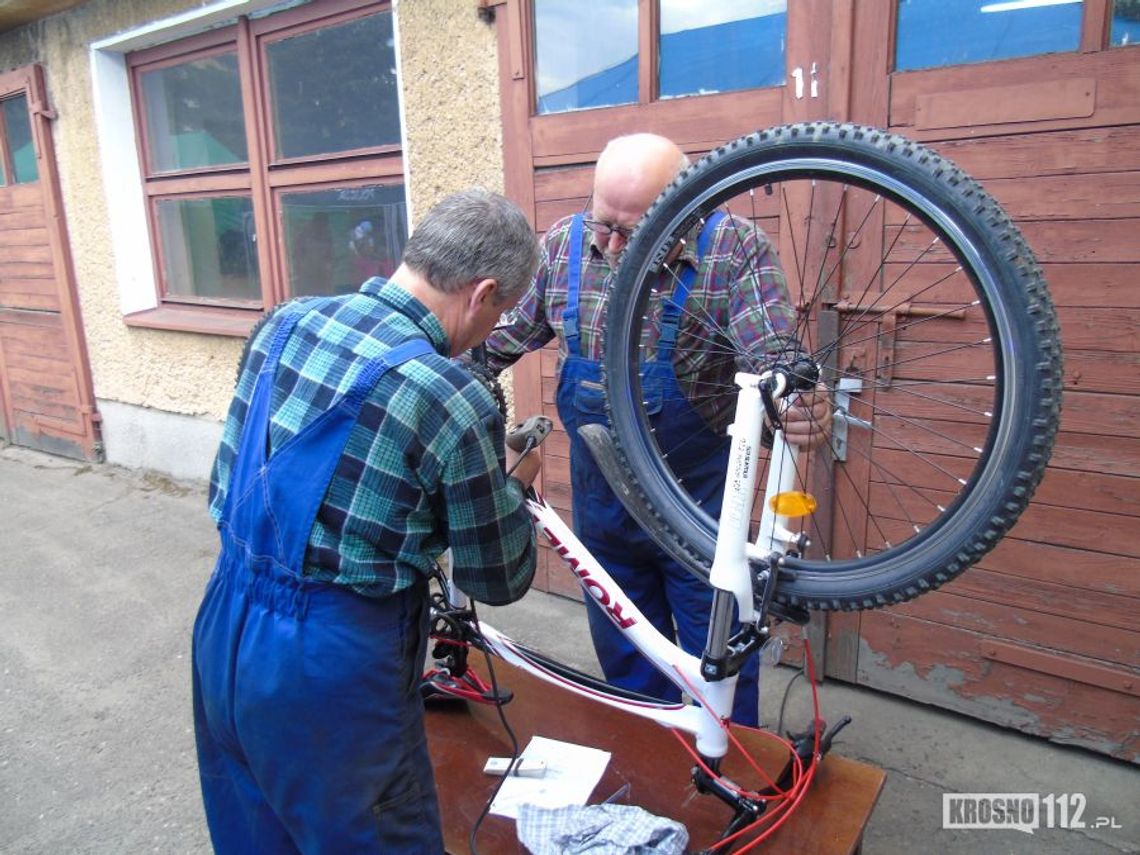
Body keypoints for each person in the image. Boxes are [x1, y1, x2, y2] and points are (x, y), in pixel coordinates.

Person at [192, 188, 543, 854]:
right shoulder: (449, 393)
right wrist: (512, 484)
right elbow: (498, 576)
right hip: (331, 663)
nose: (490, 333)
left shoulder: (284, 323)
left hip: (223, 629)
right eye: (499, 315)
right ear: (485, 293)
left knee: (255, 832)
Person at [481, 134, 832, 726]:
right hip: (604, 513)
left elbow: (773, 356)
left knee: (715, 669)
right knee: (628, 664)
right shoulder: (564, 246)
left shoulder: (732, 250)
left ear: (683, 209)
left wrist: (799, 401)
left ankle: (725, 781)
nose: (612, 245)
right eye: (603, 224)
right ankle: (652, 775)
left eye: (632, 231)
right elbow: (494, 343)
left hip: (698, 518)